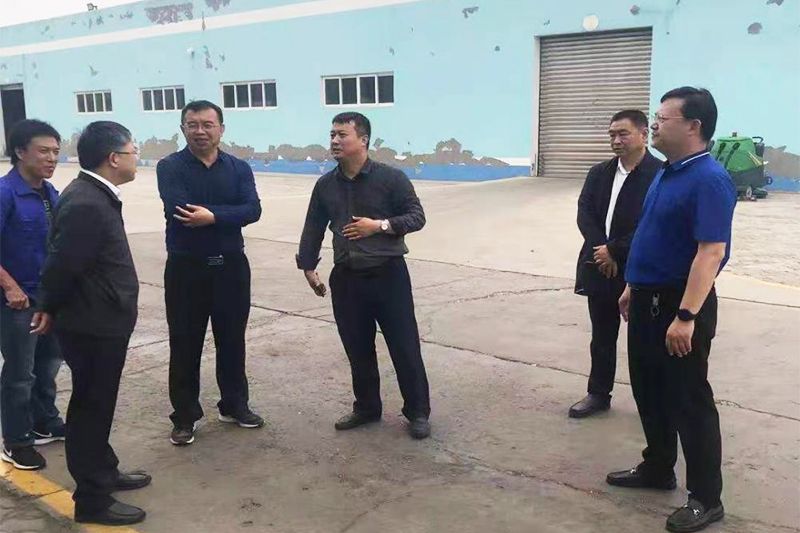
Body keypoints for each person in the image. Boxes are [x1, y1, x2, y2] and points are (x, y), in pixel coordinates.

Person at [606, 87, 736, 533]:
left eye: (663, 118)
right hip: (646, 297)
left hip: (680, 304)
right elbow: (650, 233)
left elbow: (711, 252)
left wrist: (686, 317)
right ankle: (658, 466)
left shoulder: (710, 179)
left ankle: (706, 498)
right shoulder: (668, 171)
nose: (655, 124)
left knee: (688, 400)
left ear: (693, 126)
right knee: (649, 390)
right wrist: (633, 286)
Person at [35, 121, 149, 526]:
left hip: (100, 317)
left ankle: (104, 469)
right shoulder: (87, 202)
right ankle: (93, 500)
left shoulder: (94, 194)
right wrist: (48, 304)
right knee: (91, 408)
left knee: (98, 403)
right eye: (133, 151)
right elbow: (63, 263)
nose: (137, 158)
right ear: (114, 158)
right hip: (93, 323)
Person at [297, 112, 431, 440]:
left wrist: (380, 226)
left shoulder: (391, 179)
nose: (334, 141)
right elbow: (313, 226)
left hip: (388, 276)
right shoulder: (326, 185)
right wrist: (308, 266)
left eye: (342, 135)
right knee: (357, 348)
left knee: (404, 346)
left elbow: (417, 217)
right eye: (332, 135)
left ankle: (417, 412)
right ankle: (367, 407)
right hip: (347, 278)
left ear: (363, 139)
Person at [156, 100, 263, 446]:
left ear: (221, 129)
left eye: (207, 124)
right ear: (183, 128)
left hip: (231, 266)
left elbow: (253, 209)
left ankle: (234, 405)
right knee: (184, 342)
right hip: (186, 268)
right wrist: (229, 213)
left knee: (232, 339)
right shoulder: (170, 167)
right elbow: (180, 209)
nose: (200, 131)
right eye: (192, 125)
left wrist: (213, 216)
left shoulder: (239, 168)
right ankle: (184, 416)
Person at [569, 110, 660, 418]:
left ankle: (653, 401)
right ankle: (598, 393)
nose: (616, 140)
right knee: (602, 336)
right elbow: (584, 213)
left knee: (646, 341)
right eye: (612, 135)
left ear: (643, 135)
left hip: (640, 268)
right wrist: (601, 250)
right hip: (600, 265)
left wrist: (615, 251)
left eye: (623, 134)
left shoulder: (659, 175)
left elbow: (653, 224)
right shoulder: (599, 173)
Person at [0, 119, 65, 471]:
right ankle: (16, 439)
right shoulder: (5, 193)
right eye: (43, 151)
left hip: (48, 297)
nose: (51, 158)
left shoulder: (50, 193)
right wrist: (10, 286)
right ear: (20, 152)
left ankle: (44, 422)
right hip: (17, 301)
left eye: (55, 151)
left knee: (48, 363)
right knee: (20, 372)